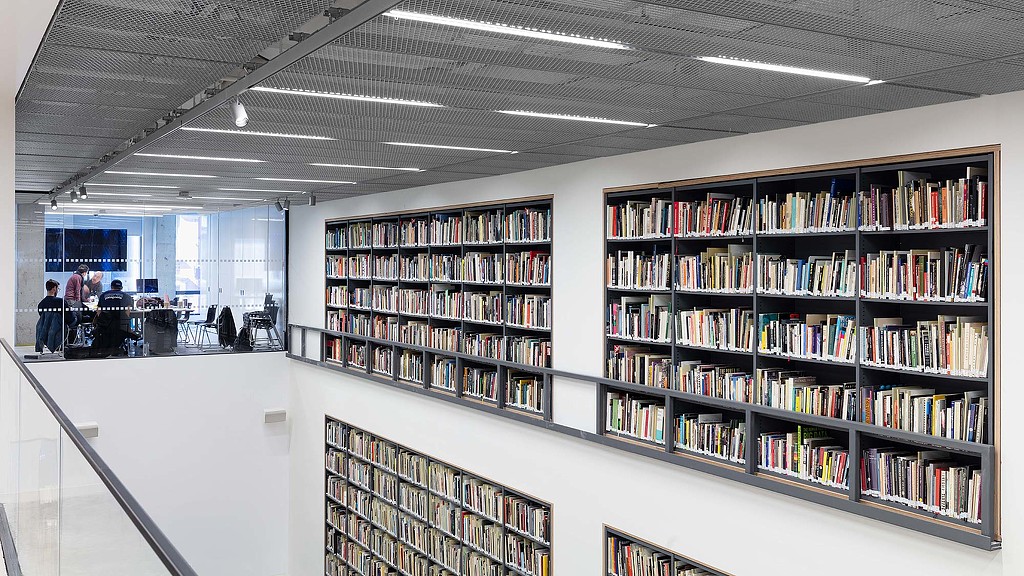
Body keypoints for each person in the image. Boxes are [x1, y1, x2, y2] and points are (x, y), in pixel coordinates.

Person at [94, 279, 138, 355]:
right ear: (121, 287)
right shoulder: (127, 296)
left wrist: (103, 320)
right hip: (120, 327)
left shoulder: (103, 295)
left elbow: (98, 310)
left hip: (105, 327)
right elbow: (127, 312)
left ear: (111, 287)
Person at [35, 279, 74, 353]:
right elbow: (69, 317)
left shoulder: (41, 304)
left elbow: (43, 319)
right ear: (54, 289)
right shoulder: (60, 302)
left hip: (46, 330)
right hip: (59, 328)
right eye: (58, 289)